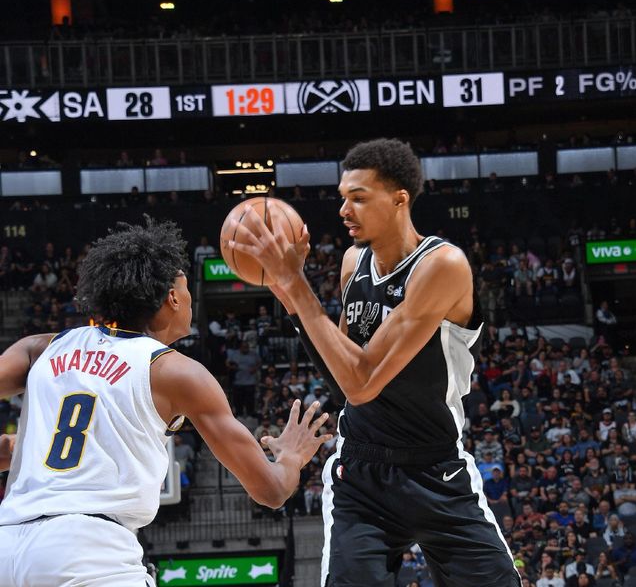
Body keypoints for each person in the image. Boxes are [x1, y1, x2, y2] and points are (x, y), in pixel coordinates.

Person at [227, 138, 521, 586]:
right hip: (361, 475)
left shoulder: (442, 265)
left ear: (400, 199)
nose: (345, 210)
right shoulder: (353, 263)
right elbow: (345, 379)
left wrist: (296, 283)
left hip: (436, 469)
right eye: (343, 198)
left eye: (359, 198)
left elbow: (364, 382)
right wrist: (288, 292)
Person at [0, 218, 330, 586]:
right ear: (172, 297)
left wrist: (13, 449)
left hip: (8, 543)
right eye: (186, 288)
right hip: (88, 553)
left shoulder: (40, 348)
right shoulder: (176, 372)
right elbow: (270, 490)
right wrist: (291, 457)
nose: (190, 298)